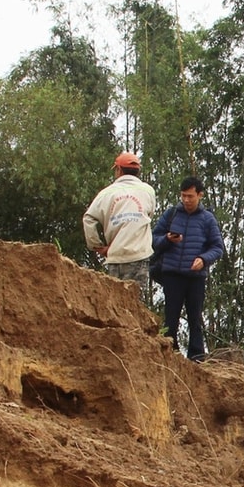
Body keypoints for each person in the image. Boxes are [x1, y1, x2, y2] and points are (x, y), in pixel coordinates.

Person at [150, 176, 224, 360]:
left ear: (200, 195)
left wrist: (203, 259)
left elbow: (217, 247)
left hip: (195, 276)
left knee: (195, 318)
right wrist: (167, 238)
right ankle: (169, 352)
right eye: (183, 196)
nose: (186, 200)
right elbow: (153, 239)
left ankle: (197, 356)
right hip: (172, 273)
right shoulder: (171, 214)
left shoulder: (207, 219)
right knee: (171, 316)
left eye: (190, 196)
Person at [81, 152, 156, 301]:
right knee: (135, 303)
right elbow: (149, 214)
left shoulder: (106, 193)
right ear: (138, 171)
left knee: (115, 303)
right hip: (139, 254)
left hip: (115, 255)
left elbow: (88, 218)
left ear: (119, 170)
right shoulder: (148, 191)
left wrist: (97, 246)